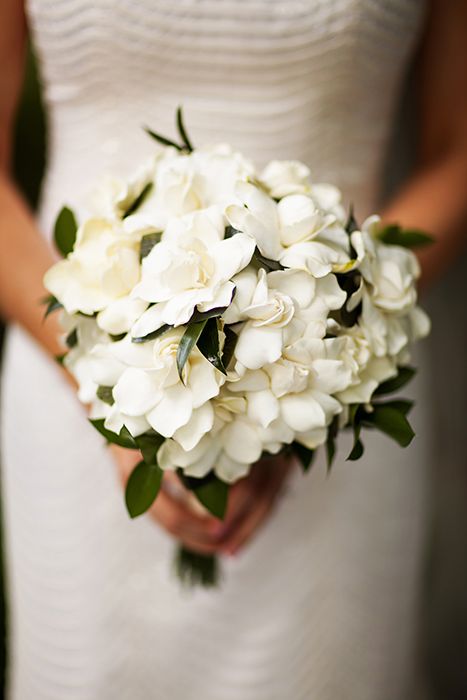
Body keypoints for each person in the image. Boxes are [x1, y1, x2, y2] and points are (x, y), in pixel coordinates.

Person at [0, 1, 466, 698]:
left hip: (335, 386)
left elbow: (455, 150)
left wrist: (316, 354)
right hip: (75, 385)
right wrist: (110, 384)